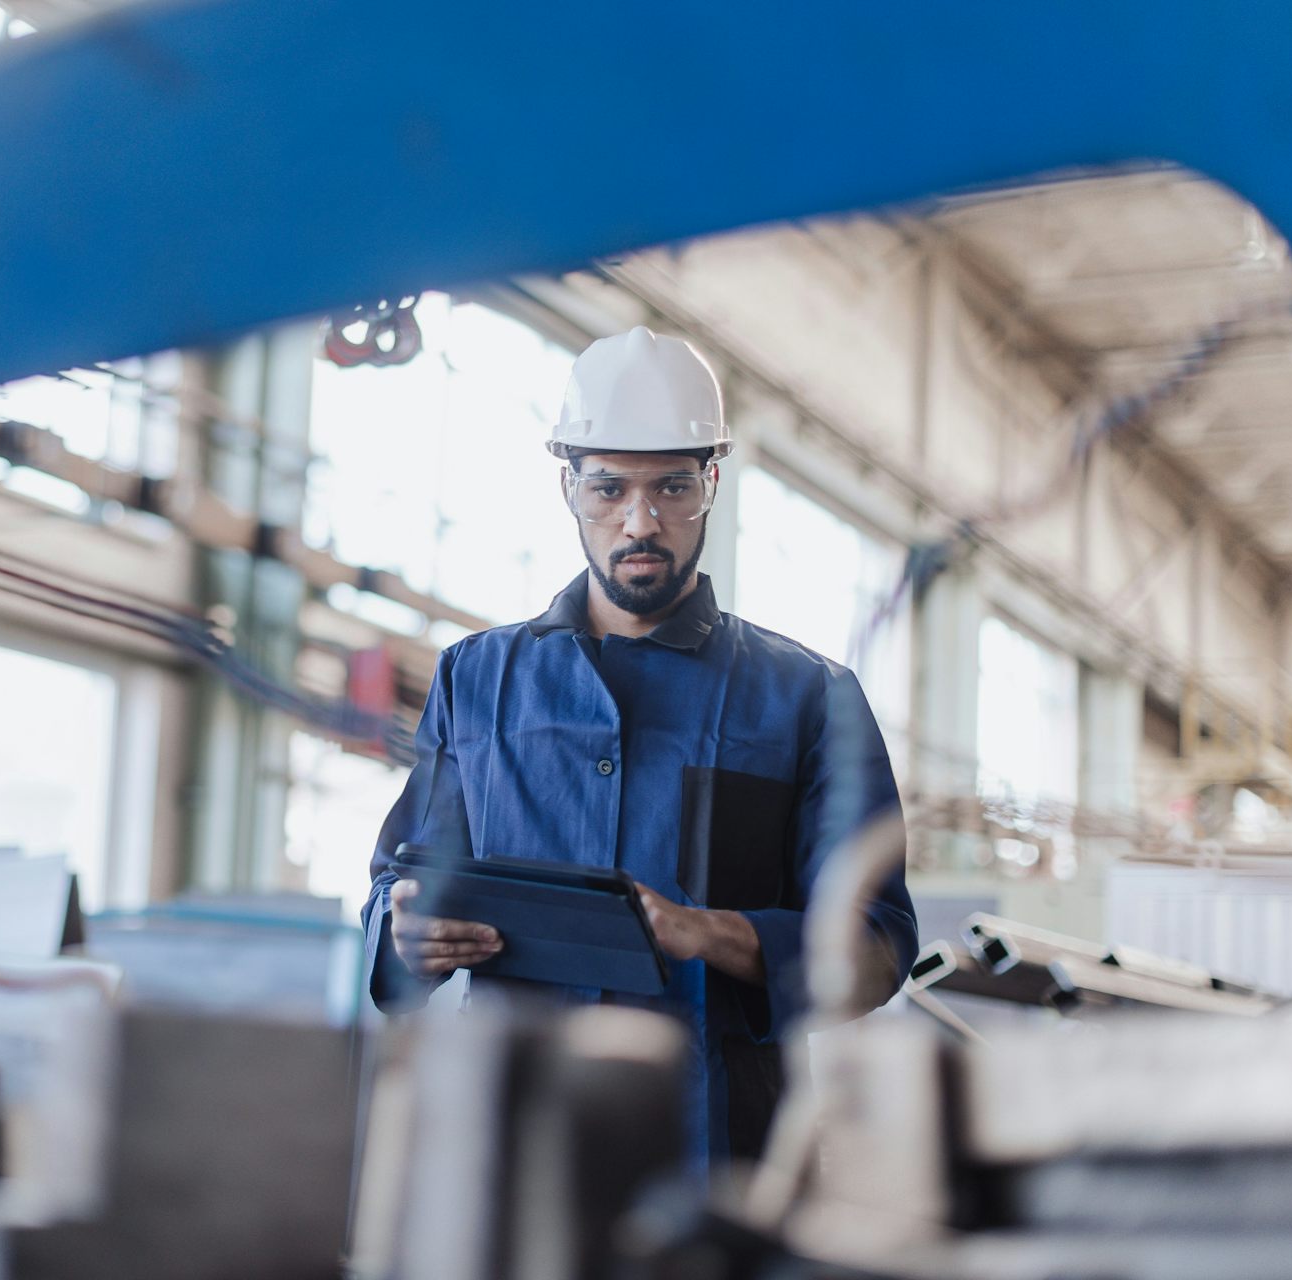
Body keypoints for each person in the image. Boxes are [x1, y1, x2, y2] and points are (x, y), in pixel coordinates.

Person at [360, 325, 916, 1165]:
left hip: (718, 1154)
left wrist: (710, 934)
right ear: (568, 487)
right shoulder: (475, 680)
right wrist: (403, 934)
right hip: (511, 1140)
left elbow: (879, 942)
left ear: (713, 484)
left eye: (673, 489)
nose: (640, 522)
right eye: (609, 489)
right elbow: (397, 890)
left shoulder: (808, 698)